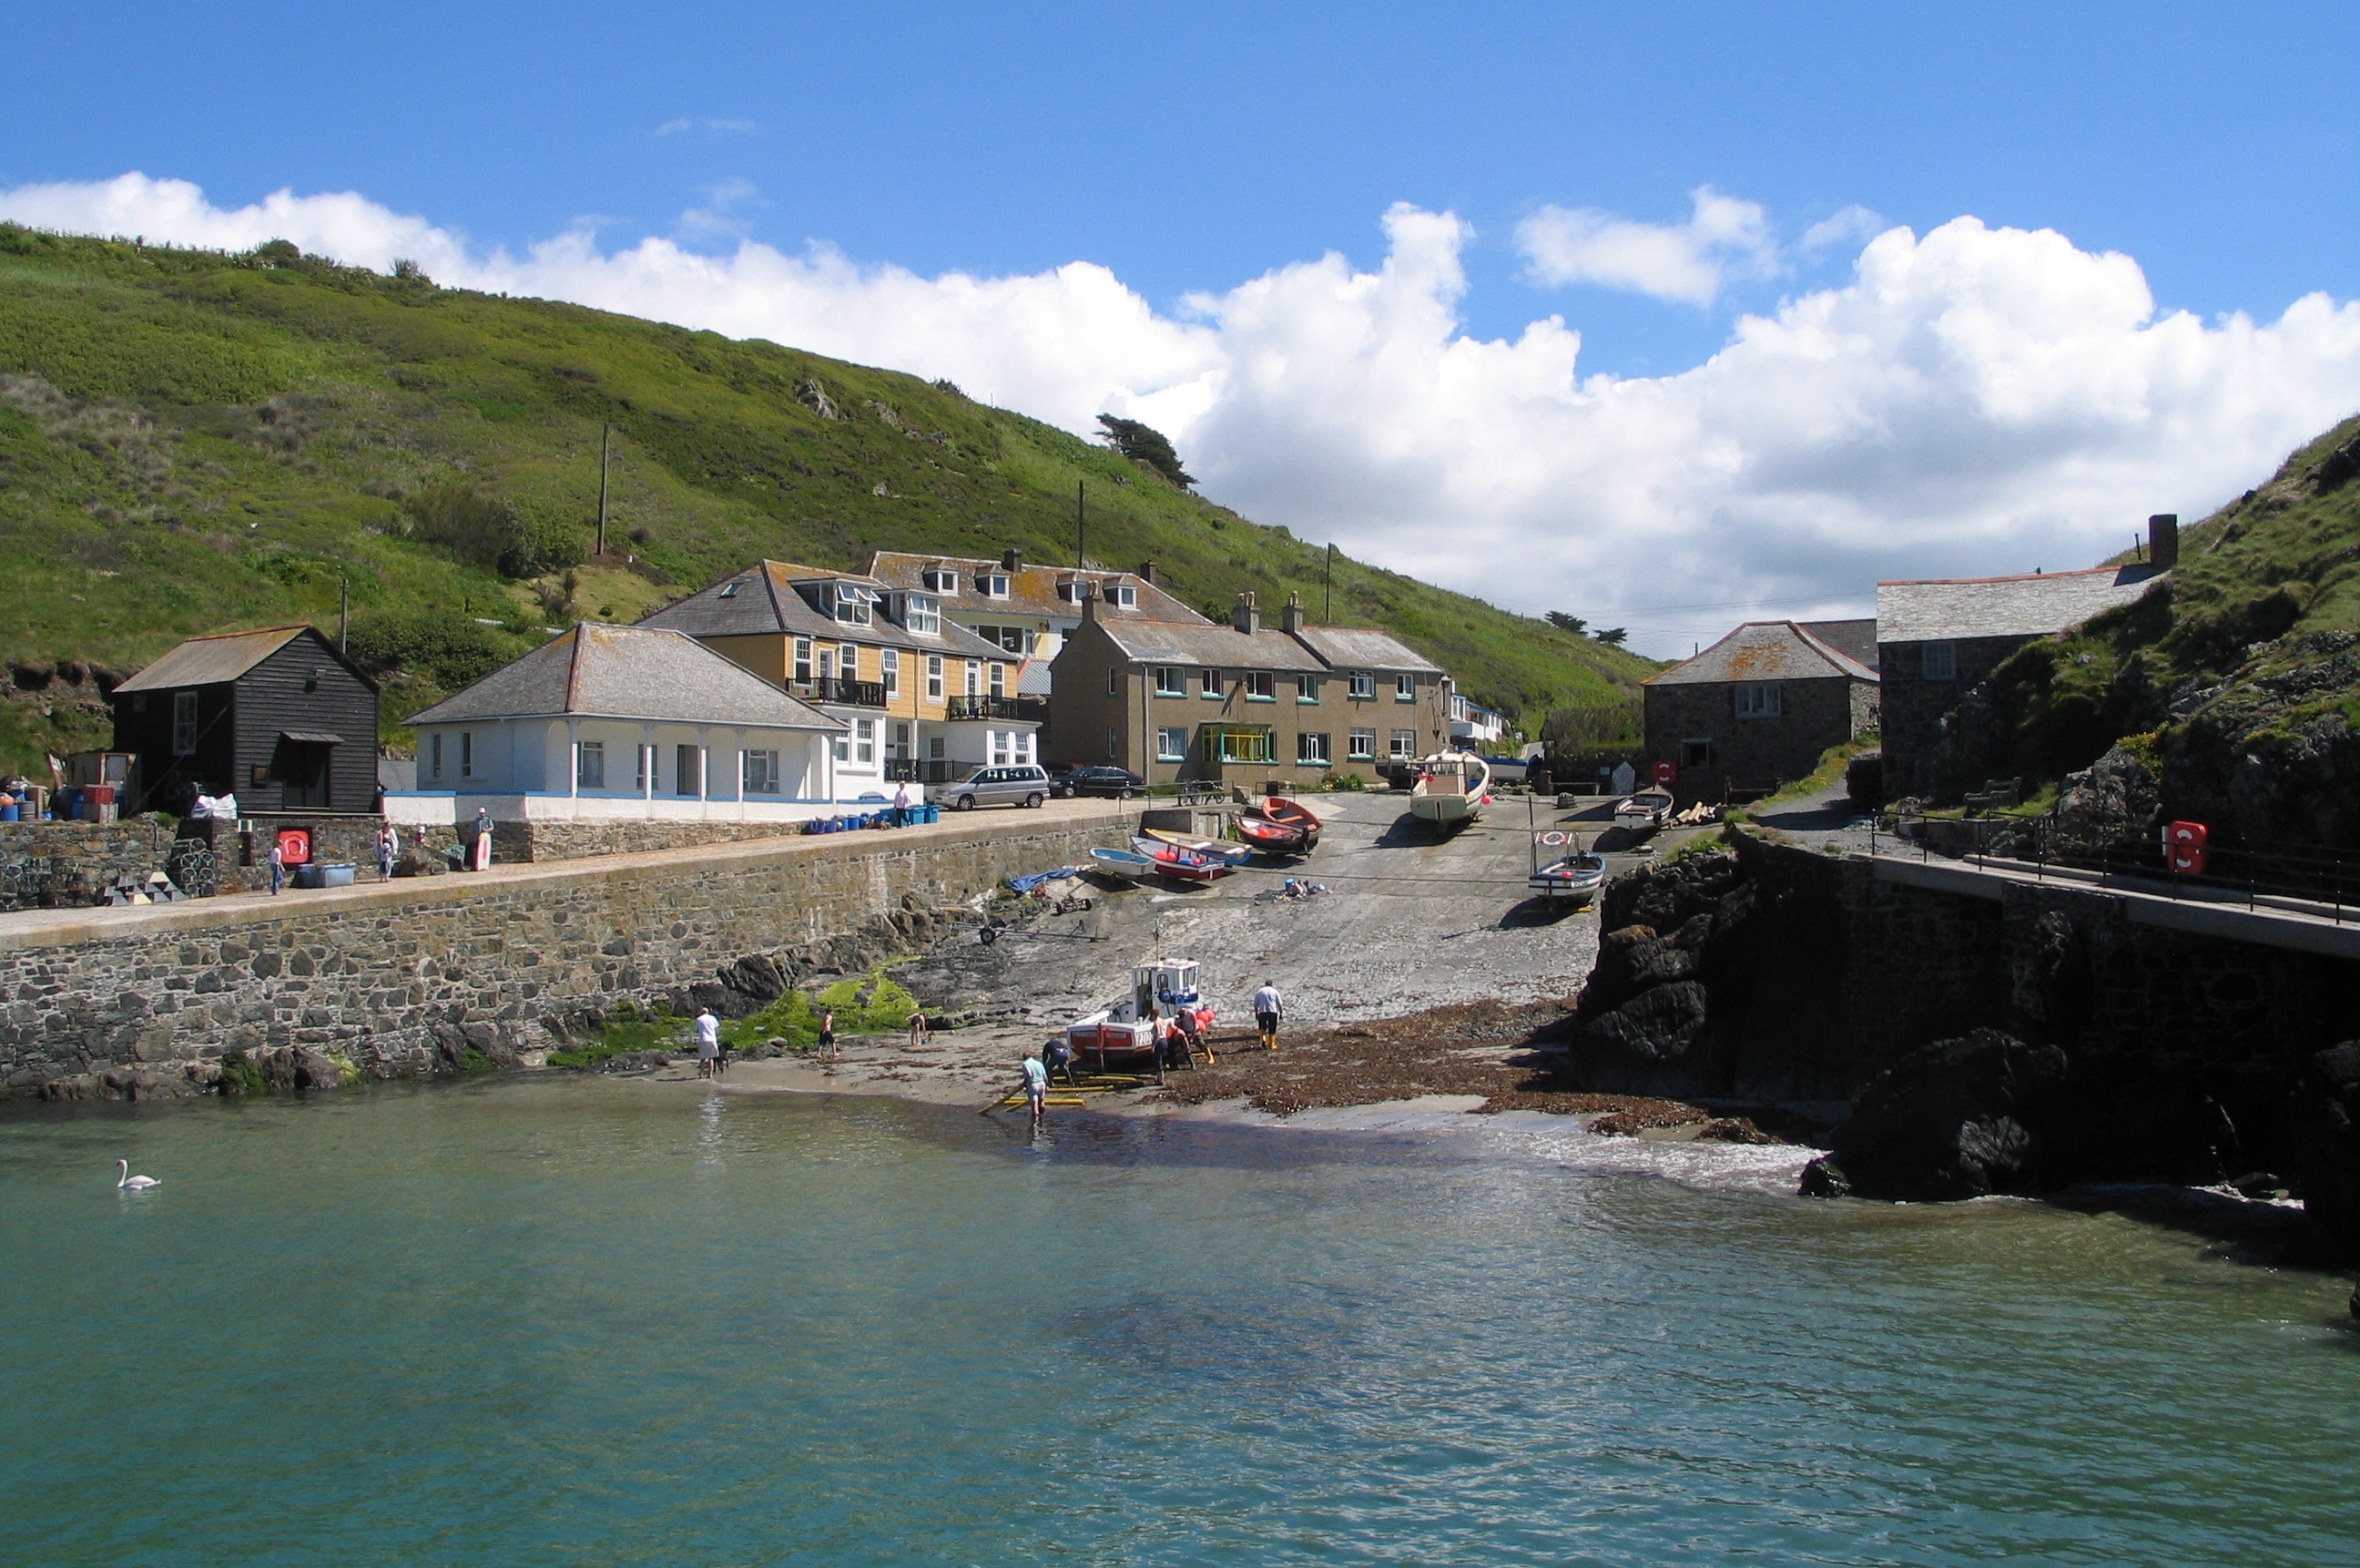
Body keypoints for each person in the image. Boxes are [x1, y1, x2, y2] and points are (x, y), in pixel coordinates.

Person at [1252, 980, 1283, 1052]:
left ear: (1265, 984)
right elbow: (1280, 1004)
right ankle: (1271, 1045)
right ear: (1272, 984)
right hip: (1272, 1012)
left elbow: (1256, 1004)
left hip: (1262, 1012)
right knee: (1272, 1028)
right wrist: (1281, 1013)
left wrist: (1256, 1013)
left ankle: (1263, 1042)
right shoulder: (1275, 992)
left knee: (1262, 1028)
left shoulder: (1260, 992)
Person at [1019, 1050, 1049, 1124]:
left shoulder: (1025, 1064)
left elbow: (1029, 1074)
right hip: (1042, 1083)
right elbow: (1045, 1076)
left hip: (1033, 1084)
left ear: (1024, 1058)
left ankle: (1036, 1120)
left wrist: (1024, 1083)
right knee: (1041, 1100)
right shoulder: (1039, 1063)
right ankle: (1042, 1117)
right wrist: (1047, 1085)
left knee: (1034, 1102)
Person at [695, 1007, 720, 1079]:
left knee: (703, 1059)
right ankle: (710, 1075)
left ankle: (701, 1075)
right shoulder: (712, 1018)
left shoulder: (699, 1019)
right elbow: (716, 1029)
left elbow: (697, 1030)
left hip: (703, 1040)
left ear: (702, 1012)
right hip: (712, 1040)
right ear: (708, 1012)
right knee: (710, 1058)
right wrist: (717, 1038)